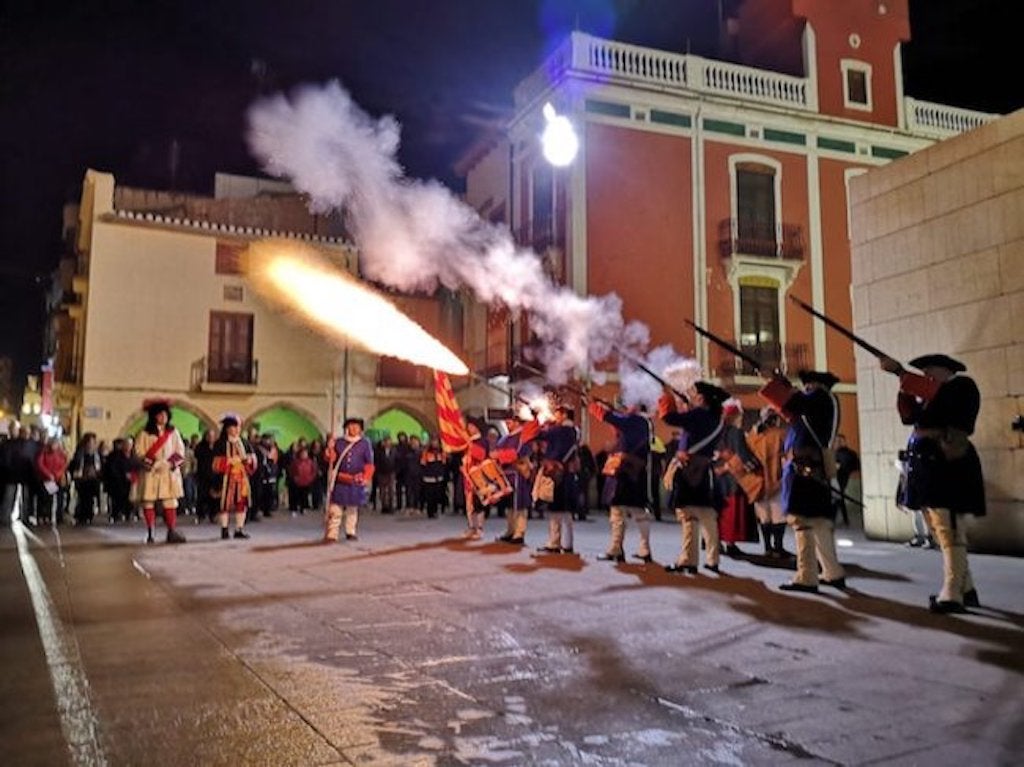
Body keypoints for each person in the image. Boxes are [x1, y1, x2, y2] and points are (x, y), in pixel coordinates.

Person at [880, 353, 985, 613]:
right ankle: (965, 587)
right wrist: (903, 387)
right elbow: (909, 417)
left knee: (949, 528)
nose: (925, 375)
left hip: (946, 465)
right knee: (942, 528)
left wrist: (901, 374)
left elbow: (945, 406)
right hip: (927, 466)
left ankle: (952, 593)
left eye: (930, 371)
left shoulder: (960, 387)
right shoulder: (929, 395)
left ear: (945, 371)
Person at [760, 370, 845, 592]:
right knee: (819, 523)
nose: (806, 390)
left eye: (809, 386)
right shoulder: (821, 403)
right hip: (811, 469)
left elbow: (793, 401)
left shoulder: (820, 399)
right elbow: (791, 406)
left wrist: (774, 381)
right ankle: (832, 572)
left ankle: (806, 576)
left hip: (804, 470)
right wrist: (779, 382)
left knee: (803, 522)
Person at [659, 381, 729, 574]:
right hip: (703, 470)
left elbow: (668, 417)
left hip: (689, 468)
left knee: (688, 515)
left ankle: (689, 560)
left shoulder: (698, 415)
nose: (693, 396)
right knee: (707, 516)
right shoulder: (715, 418)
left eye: (695, 394)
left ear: (701, 398)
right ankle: (713, 560)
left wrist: (667, 396)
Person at [590, 399, 653, 564]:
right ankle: (645, 550)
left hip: (625, 470)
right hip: (636, 471)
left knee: (617, 512)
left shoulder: (633, 420)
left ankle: (616, 549)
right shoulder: (644, 422)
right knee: (639, 511)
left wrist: (592, 405)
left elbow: (609, 417)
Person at [134, 400, 187, 544]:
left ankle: (171, 530)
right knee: (148, 502)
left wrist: (170, 464)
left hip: (168, 472)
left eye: (165, 414)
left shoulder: (173, 432)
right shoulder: (144, 433)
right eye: (160, 415)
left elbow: (180, 451)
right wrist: (152, 464)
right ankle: (150, 531)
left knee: (170, 501)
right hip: (150, 472)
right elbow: (139, 452)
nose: (163, 417)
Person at [716, 399, 761, 556]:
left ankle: (715, 542)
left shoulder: (715, 431)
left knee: (717, 512)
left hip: (716, 476)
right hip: (733, 478)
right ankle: (730, 543)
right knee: (731, 513)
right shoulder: (736, 432)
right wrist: (755, 466)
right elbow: (743, 454)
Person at [745, 406, 791, 558]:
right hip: (776, 480)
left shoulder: (752, 436)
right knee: (778, 516)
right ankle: (778, 547)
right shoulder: (781, 434)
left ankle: (767, 547)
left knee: (764, 516)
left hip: (758, 482)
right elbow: (787, 457)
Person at [535, 405, 580, 555]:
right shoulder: (573, 430)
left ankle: (555, 542)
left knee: (556, 510)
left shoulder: (560, 430)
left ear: (564, 415)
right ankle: (567, 544)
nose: (555, 416)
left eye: (557, 413)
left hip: (557, 473)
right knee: (566, 512)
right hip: (566, 474)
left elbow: (539, 435)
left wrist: (537, 419)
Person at [324, 417, 375, 542]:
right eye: (351, 426)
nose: (353, 428)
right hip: (340, 479)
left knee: (352, 509)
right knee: (336, 508)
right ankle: (332, 533)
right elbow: (331, 460)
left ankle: (350, 531)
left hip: (355, 480)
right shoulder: (339, 442)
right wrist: (329, 449)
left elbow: (369, 462)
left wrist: (366, 477)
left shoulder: (365, 443)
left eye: (356, 426)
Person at [493, 413, 540, 546]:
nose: (508, 425)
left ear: (517, 422)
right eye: (507, 422)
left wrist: (499, 455)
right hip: (505, 473)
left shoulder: (523, 437)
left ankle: (519, 533)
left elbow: (517, 454)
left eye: (510, 422)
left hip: (518, 473)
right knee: (509, 505)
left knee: (519, 505)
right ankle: (510, 530)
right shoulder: (504, 438)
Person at [212, 415, 258, 539]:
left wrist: (248, 461)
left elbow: (253, 459)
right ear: (227, 429)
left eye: (238, 427)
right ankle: (224, 529)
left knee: (241, 504)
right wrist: (229, 461)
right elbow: (215, 464)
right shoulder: (220, 443)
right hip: (226, 479)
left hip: (241, 479)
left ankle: (239, 529)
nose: (237, 429)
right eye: (234, 427)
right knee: (224, 505)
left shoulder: (244, 442)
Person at [70, 432, 102, 526]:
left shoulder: (96, 454)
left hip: (93, 479)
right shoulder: (80, 453)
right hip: (82, 479)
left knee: (91, 499)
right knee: (82, 498)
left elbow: (100, 466)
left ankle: (89, 516)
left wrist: (96, 472)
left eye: (93, 442)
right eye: (90, 442)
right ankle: (81, 516)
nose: (92, 444)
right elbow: (75, 465)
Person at [35, 436, 68, 526]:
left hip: (57, 479)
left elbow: (64, 465)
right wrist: (48, 474)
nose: (55, 446)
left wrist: (57, 474)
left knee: (56, 499)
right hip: (45, 479)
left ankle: (53, 517)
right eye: (53, 444)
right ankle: (42, 516)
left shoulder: (61, 453)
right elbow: (40, 464)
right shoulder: (44, 452)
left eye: (56, 444)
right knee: (44, 499)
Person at [833, 434, 860, 527]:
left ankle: (836, 519)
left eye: (838, 441)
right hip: (843, 477)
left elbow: (839, 466)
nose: (836, 443)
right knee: (838, 498)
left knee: (837, 498)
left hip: (840, 477)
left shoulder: (841, 454)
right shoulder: (850, 453)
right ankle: (844, 520)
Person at [420, 436, 448, 518]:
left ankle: (435, 511)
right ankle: (430, 512)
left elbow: (444, 464)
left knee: (437, 495)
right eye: (433, 441)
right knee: (429, 496)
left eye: (436, 442)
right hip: (428, 478)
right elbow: (423, 464)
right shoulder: (426, 452)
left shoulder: (441, 452)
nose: (434, 443)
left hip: (439, 478)